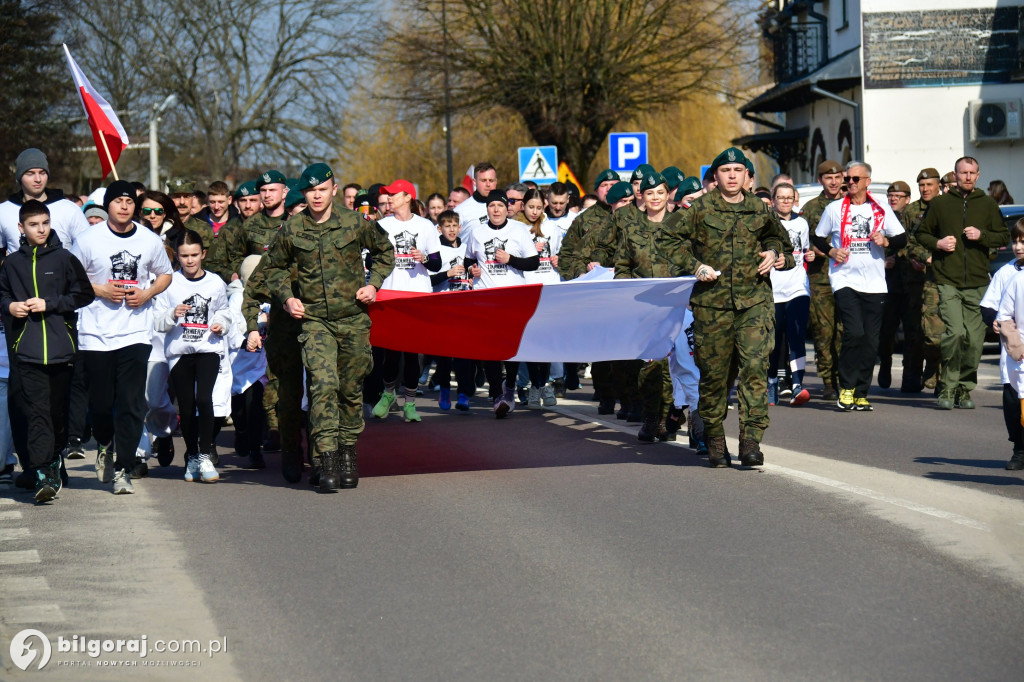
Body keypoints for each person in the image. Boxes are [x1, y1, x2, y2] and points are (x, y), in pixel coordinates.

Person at [262, 163, 394, 492]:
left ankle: (347, 452)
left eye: (322, 189)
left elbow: (385, 251)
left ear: (334, 190)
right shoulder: (293, 228)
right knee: (322, 386)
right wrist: (287, 298)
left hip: (352, 318)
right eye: (311, 191)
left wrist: (374, 284)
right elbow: (273, 268)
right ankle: (327, 459)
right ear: (303, 194)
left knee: (349, 390)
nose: (317, 196)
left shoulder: (354, 222)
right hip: (315, 321)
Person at [664, 147, 793, 467]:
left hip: (754, 303)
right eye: (726, 170)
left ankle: (751, 441)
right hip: (712, 306)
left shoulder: (759, 208)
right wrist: (694, 266)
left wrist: (773, 253)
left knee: (754, 370)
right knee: (714, 376)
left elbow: (781, 242)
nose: (732, 176)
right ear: (715, 176)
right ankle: (715, 438)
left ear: (747, 175)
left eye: (738, 170)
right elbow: (667, 240)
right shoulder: (699, 208)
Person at [71, 181, 173, 494]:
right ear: (108, 206)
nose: (125, 206)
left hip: (135, 332)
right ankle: (104, 444)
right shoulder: (88, 239)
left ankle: (123, 469)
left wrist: (147, 293)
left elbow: (166, 274)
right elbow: (71, 279)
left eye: (129, 201)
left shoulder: (148, 239)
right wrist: (100, 290)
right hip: (96, 333)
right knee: (101, 404)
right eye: (118, 201)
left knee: (131, 403)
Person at [0, 201, 94, 502]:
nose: (41, 229)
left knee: (57, 413)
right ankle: (42, 472)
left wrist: (50, 304)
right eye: (33, 224)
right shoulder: (11, 264)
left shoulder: (64, 258)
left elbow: (84, 294)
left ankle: (53, 460)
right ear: (21, 228)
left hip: (61, 349)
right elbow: (2, 295)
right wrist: (9, 306)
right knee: (37, 413)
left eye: (45, 223)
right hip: (27, 351)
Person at [810, 162, 907, 411]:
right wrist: (832, 251)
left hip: (874, 283)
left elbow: (902, 238)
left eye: (855, 179)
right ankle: (846, 388)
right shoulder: (834, 209)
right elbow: (817, 237)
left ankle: (861, 392)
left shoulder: (881, 208)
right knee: (854, 333)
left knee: (871, 341)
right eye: (848, 179)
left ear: (867, 182)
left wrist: (885, 241)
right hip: (844, 279)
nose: (850, 183)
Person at [916, 156, 1009, 409]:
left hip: (978, 282)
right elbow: (921, 233)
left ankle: (963, 388)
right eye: (963, 172)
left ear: (978, 175)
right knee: (955, 333)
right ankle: (947, 387)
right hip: (948, 280)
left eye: (972, 173)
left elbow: (1003, 236)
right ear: (955, 175)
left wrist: (982, 235)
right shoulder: (941, 204)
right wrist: (938, 243)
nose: (967, 177)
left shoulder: (987, 204)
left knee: (974, 340)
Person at [154, 230, 230, 482]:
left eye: (194, 255)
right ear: (177, 256)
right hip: (180, 352)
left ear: (203, 254)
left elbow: (224, 312)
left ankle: (206, 454)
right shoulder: (169, 283)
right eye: (184, 256)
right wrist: (172, 314)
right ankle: (193, 455)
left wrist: (220, 324)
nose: (190, 260)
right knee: (186, 407)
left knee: (204, 399)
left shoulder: (215, 282)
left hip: (208, 349)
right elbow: (158, 321)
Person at [462, 190, 540, 417]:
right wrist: (472, 269)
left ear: (507, 208)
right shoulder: (477, 232)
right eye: (491, 205)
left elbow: (534, 263)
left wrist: (510, 259)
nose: (496, 210)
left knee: (510, 348)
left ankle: (510, 386)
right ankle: (497, 395)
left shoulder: (519, 230)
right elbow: (468, 260)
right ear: (487, 209)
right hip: (486, 297)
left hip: (512, 297)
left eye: (500, 205)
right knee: (490, 349)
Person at [370, 179, 442, 423]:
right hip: (390, 295)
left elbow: (437, 263)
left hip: (417, 297)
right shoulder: (382, 225)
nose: (389, 198)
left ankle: (410, 403)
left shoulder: (425, 226)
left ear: (408, 197)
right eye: (387, 195)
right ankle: (388, 394)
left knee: (412, 354)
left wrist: (423, 258)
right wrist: (383, 257)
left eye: (393, 194)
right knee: (390, 352)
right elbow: (368, 260)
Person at [614, 170, 677, 442]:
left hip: (676, 305)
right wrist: (629, 295)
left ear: (668, 194)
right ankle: (651, 417)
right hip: (645, 307)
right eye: (650, 193)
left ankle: (666, 419)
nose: (655, 197)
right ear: (642, 195)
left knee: (673, 366)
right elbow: (622, 267)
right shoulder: (632, 228)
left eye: (660, 192)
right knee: (650, 366)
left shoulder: (682, 225)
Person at [800, 160, 845, 401]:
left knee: (844, 331)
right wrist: (812, 249)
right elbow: (799, 239)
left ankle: (844, 378)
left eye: (837, 177)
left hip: (848, 276)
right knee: (824, 331)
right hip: (821, 278)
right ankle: (828, 380)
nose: (834, 182)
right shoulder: (810, 208)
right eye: (829, 178)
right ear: (820, 180)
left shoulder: (851, 205)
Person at [768, 183, 812, 406]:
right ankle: (772, 381)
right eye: (781, 197)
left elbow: (804, 251)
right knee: (774, 340)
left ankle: (797, 385)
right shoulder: (767, 222)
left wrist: (810, 255)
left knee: (796, 335)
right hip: (773, 289)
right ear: (773, 200)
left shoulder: (802, 223)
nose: (785, 201)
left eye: (789, 198)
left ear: (794, 200)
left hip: (797, 287)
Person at [0, 148, 91, 253]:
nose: (38, 179)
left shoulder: (69, 209)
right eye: (30, 173)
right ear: (19, 176)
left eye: (42, 173)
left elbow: (88, 248)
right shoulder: (4, 211)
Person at [429, 210, 476, 411]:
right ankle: (445, 389)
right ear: (439, 228)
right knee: (445, 355)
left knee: (465, 354)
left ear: (460, 228)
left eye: (454, 226)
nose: (451, 230)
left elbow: (474, 270)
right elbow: (428, 280)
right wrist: (447, 273)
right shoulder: (435, 250)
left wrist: (473, 275)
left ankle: (464, 393)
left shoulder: (466, 249)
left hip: (464, 307)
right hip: (443, 307)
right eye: (447, 226)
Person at [904, 167, 944, 392]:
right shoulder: (911, 211)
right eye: (921, 185)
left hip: (940, 278)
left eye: (929, 185)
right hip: (915, 279)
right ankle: (912, 377)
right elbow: (903, 241)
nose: (925, 189)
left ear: (939, 186)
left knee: (937, 331)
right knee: (915, 330)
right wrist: (914, 258)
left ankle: (938, 375)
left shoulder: (946, 207)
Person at [520, 188, 560, 408]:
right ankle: (535, 386)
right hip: (527, 289)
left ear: (544, 206)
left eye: (538, 207)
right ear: (523, 206)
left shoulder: (551, 227)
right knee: (531, 341)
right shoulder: (517, 228)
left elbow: (563, 252)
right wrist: (529, 251)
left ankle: (544, 384)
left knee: (546, 341)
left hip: (549, 288)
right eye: (530, 207)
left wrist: (559, 258)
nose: (534, 212)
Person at [876, 180, 914, 390]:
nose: (893, 199)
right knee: (886, 331)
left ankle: (909, 376)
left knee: (912, 332)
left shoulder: (913, 219)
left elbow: (914, 243)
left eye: (898, 197)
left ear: (907, 199)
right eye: (890, 196)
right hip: (888, 284)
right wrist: (883, 261)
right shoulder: (880, 218)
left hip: (910, 283)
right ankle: (885, 364)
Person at [455, 162, 498, 236]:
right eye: (483, 180)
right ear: (474, 182)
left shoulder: (506, 207)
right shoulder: (460, 211)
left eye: (491, 180)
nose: (488, 184)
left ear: (496, 181)